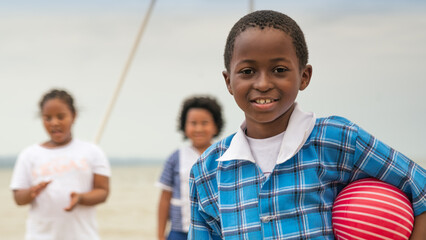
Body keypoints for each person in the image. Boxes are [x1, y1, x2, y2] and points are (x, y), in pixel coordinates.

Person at [188, 10, 426, 239]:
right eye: (247, 71)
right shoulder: (206, 172)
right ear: (229, 81)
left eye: (279, 70)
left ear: (304, 76)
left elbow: (421, 189)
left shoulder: (338, 139)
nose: (262, 83)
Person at [10, 89, 111, 240]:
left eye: (61, 116)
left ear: (74, 116)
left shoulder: (92, 152)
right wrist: (31, 192)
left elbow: (103, 191)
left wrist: (81, 198)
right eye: (47, 118)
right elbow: (18, 198)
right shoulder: (29, 155)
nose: (54, 123)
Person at [157, 96, 224, 240]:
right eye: (193, 123)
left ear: (215, 125)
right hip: (180, 231)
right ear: (184, 125)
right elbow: (164, 198)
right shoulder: (175, 157)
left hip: (216, 231)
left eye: (204, 123)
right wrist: (160, 235)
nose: (198, 128)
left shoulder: (223, 155)